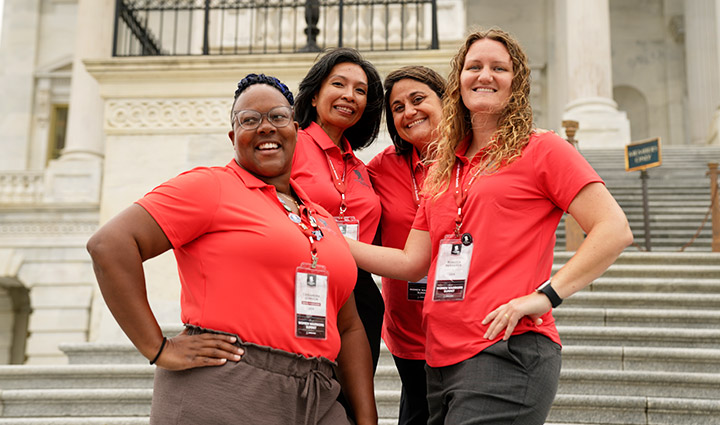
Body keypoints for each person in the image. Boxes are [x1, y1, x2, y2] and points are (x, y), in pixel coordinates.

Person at [347, 28, 633, 424]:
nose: (484, 75)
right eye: (473, 66)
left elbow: (614, 228)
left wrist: (547, 295)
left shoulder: (541, 148)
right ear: (458, 81)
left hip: (506, 349)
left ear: (516, 83)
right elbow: (413, 262)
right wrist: (326, 237)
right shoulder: (444, 170)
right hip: (439, 360)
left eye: (499, 67)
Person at [87, 73, 377, 425]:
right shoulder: (211, 187)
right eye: (249, 120)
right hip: (228, 387)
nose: (266, 127)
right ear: (233, 137)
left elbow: (349, 327)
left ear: (296, 130)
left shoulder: (322, 220)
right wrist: (157, 347)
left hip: (317, 393)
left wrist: (365, 416)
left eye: (278, 117)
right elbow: (110, 245)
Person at [291, 48, 385, 378]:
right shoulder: (290, 145)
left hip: (361, 297)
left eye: (360, 90)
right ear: (315, 95)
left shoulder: (362, 169)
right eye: (339, 84)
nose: (350, 95)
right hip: (303, 284)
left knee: (352, 405)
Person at [366, 65, 446, 425]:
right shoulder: (380, 169)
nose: (408, 112)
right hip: (409, 329)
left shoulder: (475, 159)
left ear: (446, 102)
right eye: (397, 108)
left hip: (467, 326)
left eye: (418, 99)